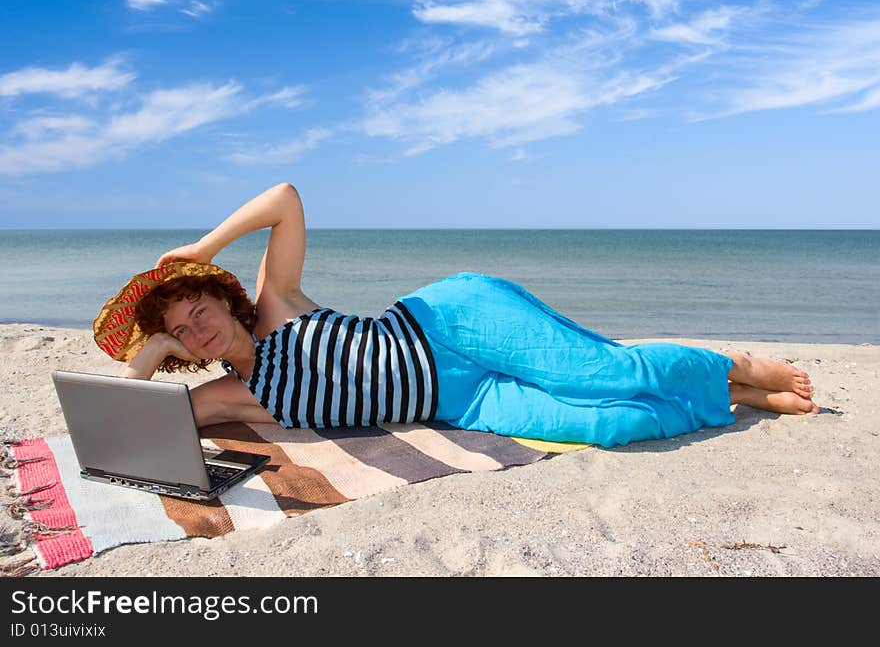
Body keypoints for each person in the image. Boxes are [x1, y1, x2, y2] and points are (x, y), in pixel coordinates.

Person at [94, 183, 818, 449]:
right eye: (183, 331)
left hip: (451, 322)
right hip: (458, 398)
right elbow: (137, 429)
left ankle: (739, 366)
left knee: (604, 372)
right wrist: (149, 353)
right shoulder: (239, 395)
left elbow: (284, 197)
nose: (198, 328)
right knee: (610, 423)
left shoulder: (277, 302)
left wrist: (204, 245)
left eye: (199, 308)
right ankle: (733, 398)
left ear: (225, 297)